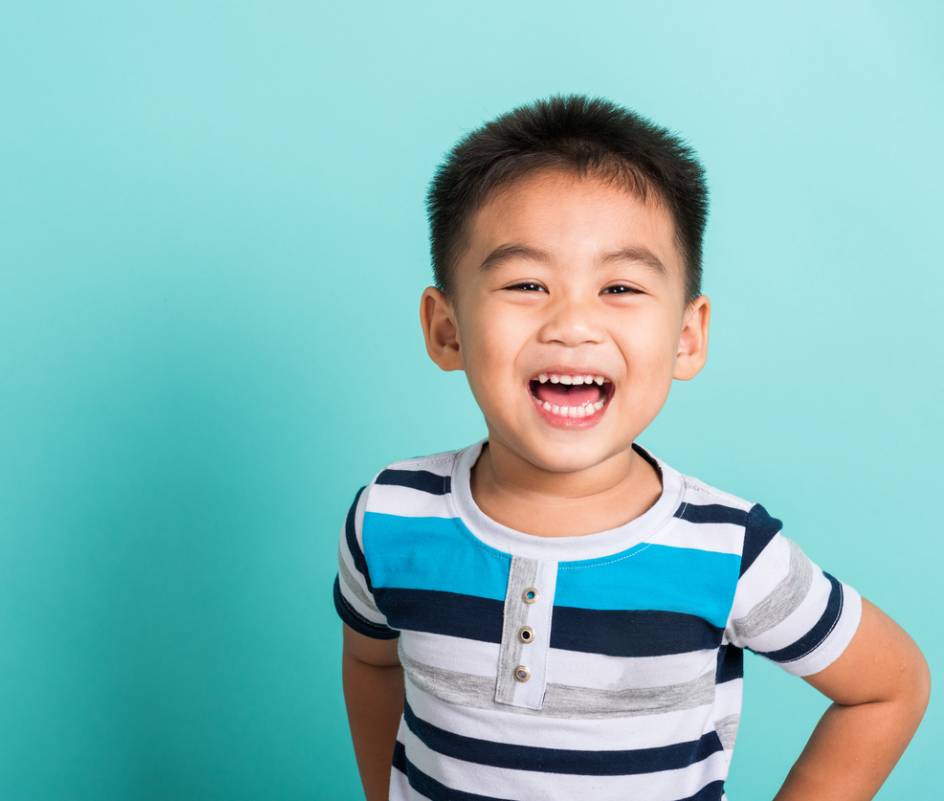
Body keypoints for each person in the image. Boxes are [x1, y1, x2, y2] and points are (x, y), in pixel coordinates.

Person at [332, 93, 931, 801]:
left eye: (619, 286)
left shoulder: (731, 550)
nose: (574, 323)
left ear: (687, 335)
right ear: (447, 330)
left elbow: (890, 688)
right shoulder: (389, 517)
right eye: (527, 283)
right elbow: (371, 665)